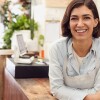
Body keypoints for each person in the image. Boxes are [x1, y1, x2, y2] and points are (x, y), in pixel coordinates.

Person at [49, 0, 100, 100]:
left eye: (86, 18)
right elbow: (57, 88)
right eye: (74, 18)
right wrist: (89, 97)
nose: (80, 24)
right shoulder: (56, 49)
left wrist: (65, 93)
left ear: (95, 22)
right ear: (68, 23)